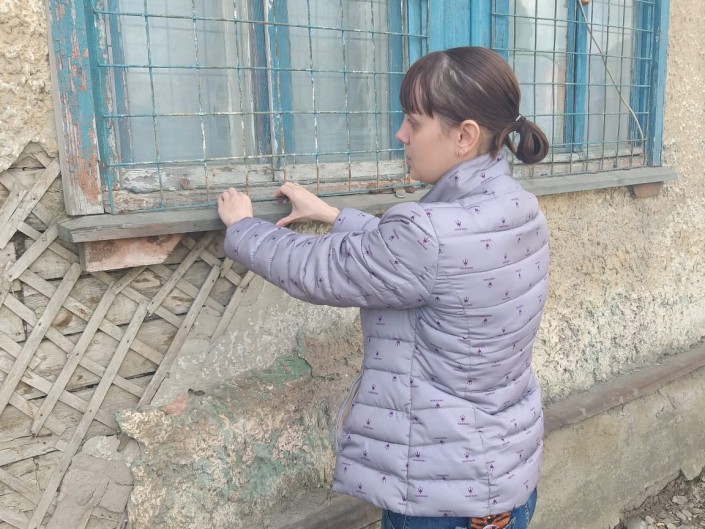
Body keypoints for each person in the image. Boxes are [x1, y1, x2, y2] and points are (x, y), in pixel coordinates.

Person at [217, 46, 550, 529]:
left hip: (440, 503)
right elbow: (419, 259)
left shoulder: (428, 234)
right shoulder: (519, 208)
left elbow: (318, 268)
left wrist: (244, 227)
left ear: (464, 135)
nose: (401, 134)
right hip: (505, 484)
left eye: (413, 122)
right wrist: (333, 214)